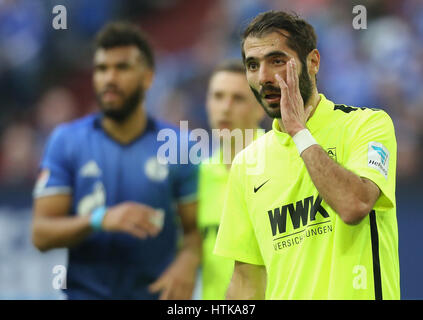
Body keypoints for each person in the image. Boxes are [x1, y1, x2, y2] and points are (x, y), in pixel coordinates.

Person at [214, 10, 400, 300]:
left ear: (312, 62)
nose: (263, 77)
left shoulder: (366, 125)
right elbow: (245, 282)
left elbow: (354, 204)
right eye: (252, 65)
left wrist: (299, 132)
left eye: (276, 61)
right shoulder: (247, 164)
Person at [31, 22, 201, 300]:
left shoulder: (179, 145)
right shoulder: (66, 141)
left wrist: (188, 263)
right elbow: (41, 234)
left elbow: (194, 232)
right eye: (101, 68)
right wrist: (99, 219)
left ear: (147, 77)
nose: (109, 78)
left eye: (122, 68)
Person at [197, 60, 264, 300]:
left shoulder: (284, 163)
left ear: (260, 107)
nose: (225, 108)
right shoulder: (197, 178)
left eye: (238, 98)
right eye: (217, 96)